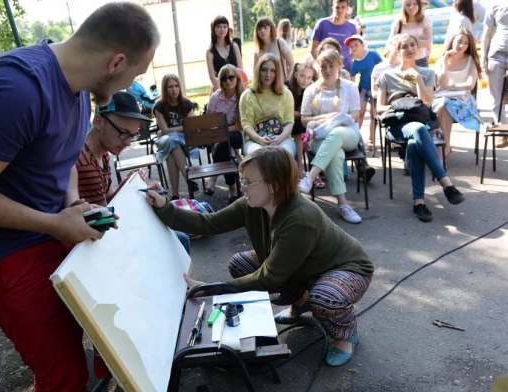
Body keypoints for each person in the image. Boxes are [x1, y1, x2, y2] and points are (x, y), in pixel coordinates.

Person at [0, 3, 159, 392]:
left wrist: (73, 204)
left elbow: (63, 159)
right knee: (60, 372)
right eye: (135, 74)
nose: (134, 82)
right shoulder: (18, 89)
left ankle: (121, 382)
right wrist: (55, 223)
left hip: (48, 228)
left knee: (103, 314)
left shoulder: (81, 89)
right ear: (116, 61)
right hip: (0, 254)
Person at [145, 146, 374, 366]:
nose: (242, 188)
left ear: (274, 185)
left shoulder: (301, 219)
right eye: (242, 180)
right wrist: (165, 207)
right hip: (303, 269)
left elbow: (269, 278)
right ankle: (301, 300)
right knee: (241, 264)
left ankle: (345, 334)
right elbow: (209, 223)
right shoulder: (251, 204)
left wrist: (212, 289)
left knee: (325, 298)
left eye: (248, 182)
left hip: (347, 269)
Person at [73, 91, 191, 253]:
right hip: (96, 244)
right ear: (99, 122)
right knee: (180, 240)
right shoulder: (80, 161)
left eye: (132, 136)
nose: (128, 142)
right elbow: (86, 215)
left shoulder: (103, 154)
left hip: (107, 230)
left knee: (179, 238)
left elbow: (107, 198)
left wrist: (128, 185)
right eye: (123, 133)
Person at [376, 34, 465, 222]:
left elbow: (428, 102)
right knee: (417, 130)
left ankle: (419, 203)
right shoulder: (387, 76)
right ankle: (446, 183)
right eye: (404, 46)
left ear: (417, 48)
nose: (409, 49)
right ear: (398, 51)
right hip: (397, 125)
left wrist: (417, 79)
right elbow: (379, 107)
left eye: (412, 45)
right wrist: (401, 105)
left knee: (415, 142)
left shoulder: (426, 73)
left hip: (420, 125)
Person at [299, 50, 365, 224]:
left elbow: (355, 114)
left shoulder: (349, 87)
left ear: (339, 66)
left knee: (336, 134)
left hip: (347, 133)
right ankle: (343, 204)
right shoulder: (311, 90)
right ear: (317, 68)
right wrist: (325, 118)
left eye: (331, 66)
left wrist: (335, 120)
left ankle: (310, 176)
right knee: (336, 154)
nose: (327, 70)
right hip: (320, 137)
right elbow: (304, 119)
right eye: (323, 66)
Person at [433, 29, 482, 156]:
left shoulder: (471, 60)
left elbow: (470, 85)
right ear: (452, 41)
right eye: (459, 41)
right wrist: (444, 62)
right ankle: (443, 146)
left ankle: (445, 147)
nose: (462, 46)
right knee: (442, 105)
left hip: (463, 100)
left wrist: (451, 87)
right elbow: (442, 84)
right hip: (443, 99)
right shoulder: (441, 61)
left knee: (445, 106)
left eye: (466, 43)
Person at [240, 53, 296, 157]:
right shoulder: (247, 96)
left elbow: (289, 121)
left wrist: (280, 138)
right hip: (255, 141)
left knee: (284, 155)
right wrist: (259, 139)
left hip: (282, 139)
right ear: (258, 71)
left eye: (273, 71)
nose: (268, 74)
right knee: (261, 157)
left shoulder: (286, 94)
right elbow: (246, 125)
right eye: (264, 70)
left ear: (277, 73)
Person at [153, 73, 198, 200]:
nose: (174, 89)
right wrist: (183, 127)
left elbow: (192, 125)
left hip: (185, 140)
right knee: (172, 142)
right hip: (166, 140)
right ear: (164, 89)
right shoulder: (159, 106)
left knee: (171, 149)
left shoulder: (186, 103)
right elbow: (165, 130)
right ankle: (189, 179)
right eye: (170, 87)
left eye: (176, 86)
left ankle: (175, 194)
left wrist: (171, 130)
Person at [204, 65, 245, 203]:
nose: (228, 81)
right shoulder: (215, 97)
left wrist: (222, 131)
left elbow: (239, 125)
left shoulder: (242, 96)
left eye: (231, 77)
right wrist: (219, 132)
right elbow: (209, 122)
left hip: (238, 135)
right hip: (220, 136)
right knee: (225, 147)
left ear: (237, 78)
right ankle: (233, 190)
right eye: (224, 78)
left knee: (225, 140)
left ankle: (213, 178)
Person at [288, 62, 319, 179]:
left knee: (307, 130)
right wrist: (300, 114)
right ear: (296, 74)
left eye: (309, 77)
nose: (305, 80)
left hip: (307, 123)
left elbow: (312, 113)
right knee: (300, 129)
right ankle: (301, 169)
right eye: (302, 76)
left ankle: (313, 171)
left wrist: (300, 115)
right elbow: (286, 112)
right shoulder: (288, 88)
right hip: (290, 123)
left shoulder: (313, 90)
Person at [481, 2, 508, 135]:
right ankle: (503, 132)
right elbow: (486, 33)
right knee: (496, 98)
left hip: (497, 54)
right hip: (496, 54)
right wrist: (483, 59)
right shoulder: (494, 4)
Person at [347, 34, 383, 133]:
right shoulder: (354, 64)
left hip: (375, 88)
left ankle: (372, 140)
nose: (353, 48)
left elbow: (382, 69)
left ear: (363, 45)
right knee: (360, 113)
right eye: (351, 46)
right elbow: (352, 81)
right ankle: (356, 136)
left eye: (356, 45)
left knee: (373, 115)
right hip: (362, 89)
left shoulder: (373, 55)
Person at [311, 0, 358, 70]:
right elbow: (313, 49)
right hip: (326, 69)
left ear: (347, 9)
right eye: (337, 7)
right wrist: (322, 64)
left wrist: (346, 60)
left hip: (345, 68)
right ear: (333, 8)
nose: (340, 10)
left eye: (343, 7)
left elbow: (356, 49)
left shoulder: (352, 27)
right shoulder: (322, 24)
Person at [387, 0, 433, 67]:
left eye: (414, 4)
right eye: (408, 5)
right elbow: (391, 43)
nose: (411, 7)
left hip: (420, 61)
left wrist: (405, 45)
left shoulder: (426, 20)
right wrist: (416, 44)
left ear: (419, 5)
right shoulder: (398, 23)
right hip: (402, 62)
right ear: (404, 7)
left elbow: (428, 43)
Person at [206, 16, 243, 92]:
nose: (222, 29)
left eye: (225, 27)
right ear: (213, 29)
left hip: (236, 88)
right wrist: (222, 91)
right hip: (219, 88)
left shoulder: (234, 46)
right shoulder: (210, 52)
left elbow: (240, 70)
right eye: (219, 27)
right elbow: (212, 77)